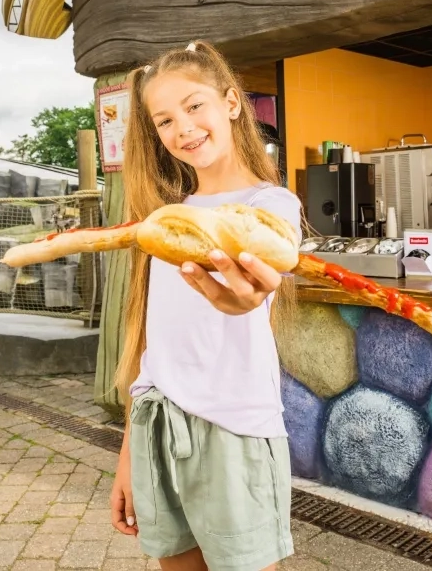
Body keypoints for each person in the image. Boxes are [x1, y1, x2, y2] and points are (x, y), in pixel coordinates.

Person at [109, 41, 303, 571]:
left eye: (195, 106)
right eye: (164, 120)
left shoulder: (269, 206)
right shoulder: (168, 220)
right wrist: (128, 453)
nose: (183, 129)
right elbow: (154, 347)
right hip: (156, 424)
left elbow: (262, 279)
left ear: (232, 103)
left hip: (233, 429)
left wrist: (249, 297)